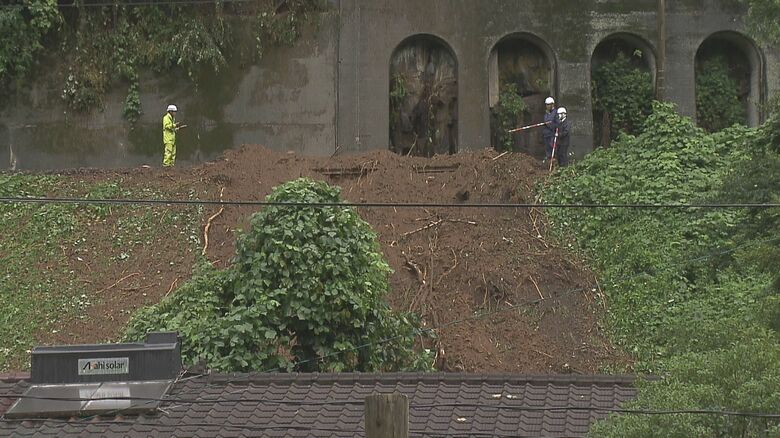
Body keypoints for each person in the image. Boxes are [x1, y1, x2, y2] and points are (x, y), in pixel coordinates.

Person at [542, 96, 557, 162]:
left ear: (552, 104)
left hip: (552, 133)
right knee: (547, 146)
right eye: (546, 105)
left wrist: (549, 124)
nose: (547, 106)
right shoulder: (546, 113)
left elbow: (551, 122)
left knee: (552, 146)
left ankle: (553, 158)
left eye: (548, 104)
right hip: (546, 133)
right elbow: (545, 120)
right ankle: (548, 157)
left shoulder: (555, 112)